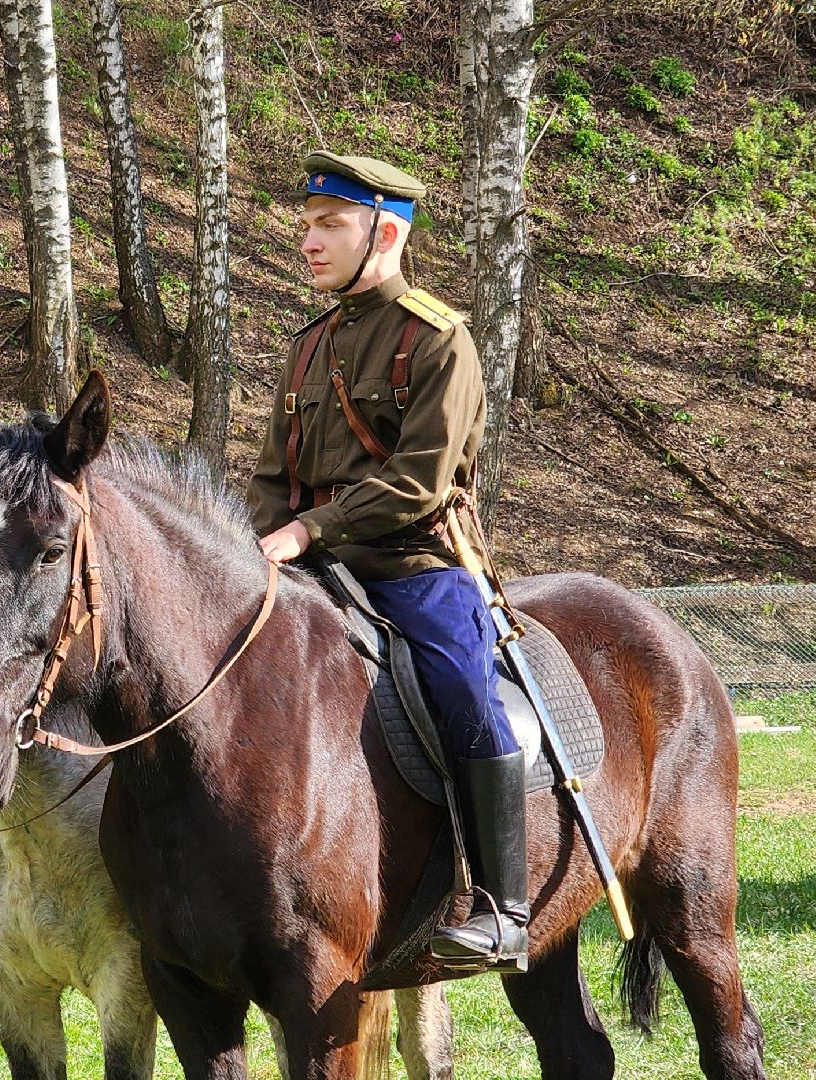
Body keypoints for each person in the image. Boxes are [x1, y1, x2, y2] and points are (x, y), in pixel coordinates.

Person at [247, 151, 528, 970]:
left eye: (328, 224)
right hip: (305, 570)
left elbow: (419, 479)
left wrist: (308, 531)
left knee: (460, 688)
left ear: (386, 231)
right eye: (305, 224)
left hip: (410, 564)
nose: (308, 240)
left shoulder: (439, 340)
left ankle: (503, 908)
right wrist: (262, 543)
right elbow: (273, 476)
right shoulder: (307, 347)